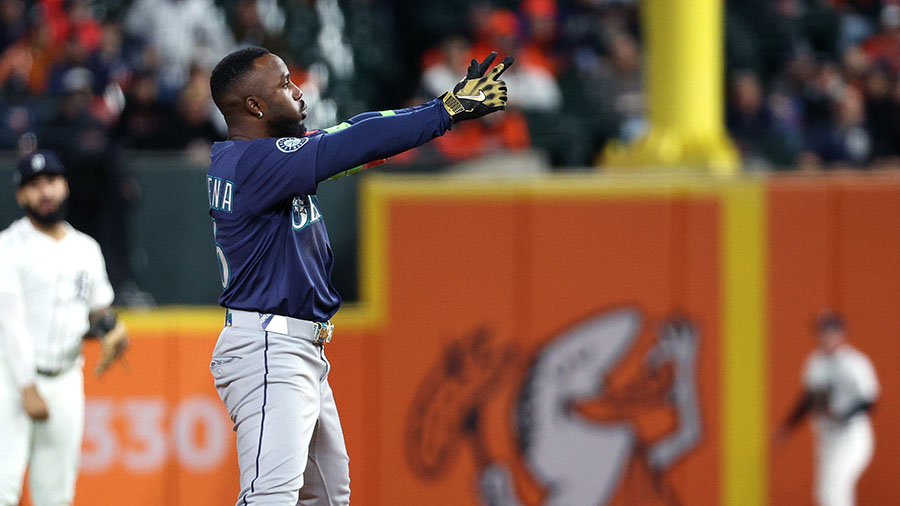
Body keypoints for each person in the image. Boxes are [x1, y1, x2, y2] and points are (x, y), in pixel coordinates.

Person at [206, 46, 512, 505]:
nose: (297, 90)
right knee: (269, 497)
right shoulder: (255, 163)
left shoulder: (253, 161)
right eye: (285, 84)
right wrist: (443, 110)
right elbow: (352, 138)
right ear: (254, 106)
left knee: (329, 498)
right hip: (271, 350)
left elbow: (352, 142)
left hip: (289, 347)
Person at [0, 150, 129, 506]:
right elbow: (11, 325)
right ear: (20, 196)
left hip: (66, 378)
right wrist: (27, 388)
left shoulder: (86, 249)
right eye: (34, 185)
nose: (45, 192)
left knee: (56, 496)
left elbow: (96, 310)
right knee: (3, 489)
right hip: (10, 379)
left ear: (65, 186)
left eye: (52, 182)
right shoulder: (8, 248)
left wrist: (112, 327)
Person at [776, 311, 879, 506]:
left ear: (841, 334)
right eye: (822, 332)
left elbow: (871, 401)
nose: (825, 337)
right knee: (824, 493)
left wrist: (844, 414)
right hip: (827, 439)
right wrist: (788, 427)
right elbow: (807, 401)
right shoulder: (815, 363)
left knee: (834, 489)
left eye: (831, 332)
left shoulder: (854, 363)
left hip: (851, 439)